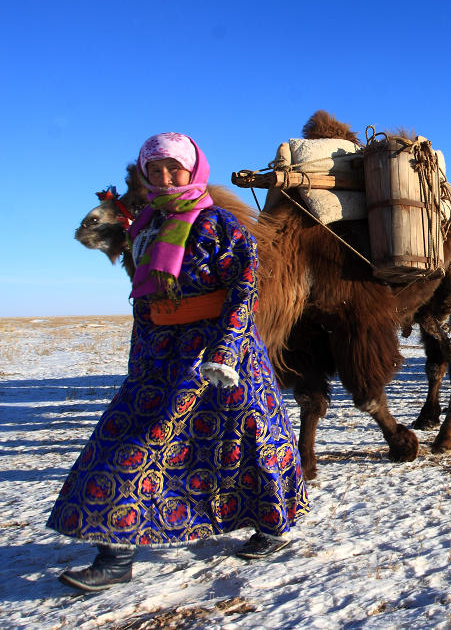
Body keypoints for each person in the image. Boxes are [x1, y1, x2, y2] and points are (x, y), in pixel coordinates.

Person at [48, 132, 309, 592]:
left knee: (251, 440)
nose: (166, 177)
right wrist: (139, 361)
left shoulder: (219, 225)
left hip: (220, 356)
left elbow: (244, 288)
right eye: (156, 169)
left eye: (175, 168)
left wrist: (225, 351)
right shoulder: (145, 227)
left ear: (193, 170)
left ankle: (273, 525)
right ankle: (115, 555)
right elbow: (143, 299)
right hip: (160, 358)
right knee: (125, 441)